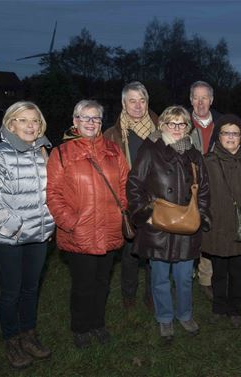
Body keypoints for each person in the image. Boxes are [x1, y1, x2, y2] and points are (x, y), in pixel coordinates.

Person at [0, 101, 55, 369]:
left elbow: (53, 192)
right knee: (11, 292)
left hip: (39, 236)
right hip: (7, 239)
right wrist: (14, 226)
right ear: (11, 124)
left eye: (34, 120)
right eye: (23, 120)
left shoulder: (44, 152)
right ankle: (11, 340)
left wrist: (50, 222)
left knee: (31, 289)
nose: (30, 125)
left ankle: (28, 335)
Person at [47, 100, 129, 349]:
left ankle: (97, 324)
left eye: (96, 119)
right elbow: (53, 194)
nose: (91, 123)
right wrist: (71, 223)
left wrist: (121, 210)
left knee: (102, 283)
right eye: (85, 118)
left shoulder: (114, 151)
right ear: (75, 121)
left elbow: (125, 185)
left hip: (109, 230)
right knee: (83, 285)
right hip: (79, 233)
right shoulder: (61, 153)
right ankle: (80, 327)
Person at [127, 105, 211, 340]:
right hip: (158, 227)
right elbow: (134, 185)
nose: (176, 128)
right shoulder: (149, 151)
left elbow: (203, 188)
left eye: (181, 124)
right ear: (162, 124)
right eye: (171, 123)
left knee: (185, 276)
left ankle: (185, 314)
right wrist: (146, 214)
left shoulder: (194, 154)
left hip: (186, 226)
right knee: (160, 276)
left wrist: (202, 215)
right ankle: (165, 318)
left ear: (188, 127)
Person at [201, 114, 241, 328]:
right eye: (226, 133)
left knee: (238, 271)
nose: (231, 137)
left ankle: (235, 308)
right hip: (217, 225)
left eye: (235, 133)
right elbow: (199, 192)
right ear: (219, 136)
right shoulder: (207, 162)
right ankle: (218, 307)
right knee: (219, 272)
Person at [104, 81, 158, 311]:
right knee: (130, 253)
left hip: (156, 201)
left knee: (155, 253)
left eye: (142, 100)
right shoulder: (111, 134)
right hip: (127, 203)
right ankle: (128, 295)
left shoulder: (161, 128)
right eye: (132, 100)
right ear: (124, 104)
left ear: (147, 103)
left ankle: (151, 294)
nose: (137, 106)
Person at [188, 80, 223, 301]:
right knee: (187, 230)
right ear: (190, 100)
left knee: (209, 231)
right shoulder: (179, 121)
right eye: (196, 98)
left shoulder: (223, 123)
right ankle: (186, 270)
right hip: (186, 188)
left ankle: (205, 278)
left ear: (211, 100)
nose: (200, 103)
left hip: (215, 187)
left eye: (204, 98)